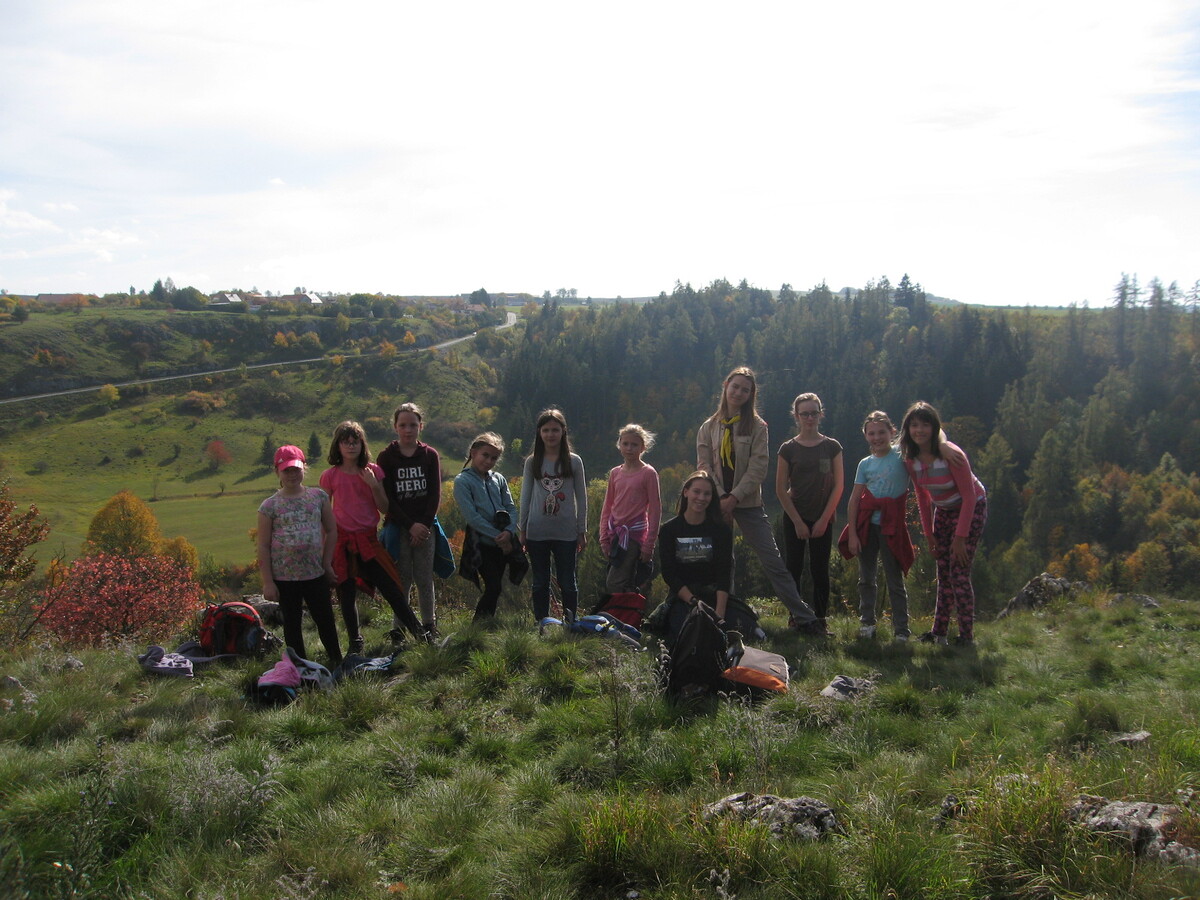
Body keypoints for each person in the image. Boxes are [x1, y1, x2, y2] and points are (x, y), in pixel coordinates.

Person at [696, 366, 824, 635]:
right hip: (716, 503)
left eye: (745, 390)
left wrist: (734, 497)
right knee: (721, 562)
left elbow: (758, 468)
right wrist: (721, 497)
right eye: (735, 386)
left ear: (751, 395)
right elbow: (704, 466)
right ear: (726, 386)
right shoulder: (708, 427)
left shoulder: (757, 426)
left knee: (772, 561)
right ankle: (725, 618)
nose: (738, 393)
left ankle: (805, 618)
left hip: (748, 503)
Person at [319, 421, 427, 654]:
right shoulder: (330, 476)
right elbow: (324, 514)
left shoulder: (373, 471)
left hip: (368, 540)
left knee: (391, 588)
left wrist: (373, 486)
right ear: (337, 446)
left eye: (355, 442)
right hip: (343, 541)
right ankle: (355, 642)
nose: (351, 446)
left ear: (362, 444)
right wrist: (323, 547)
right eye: (346, 442)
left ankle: (420, 634)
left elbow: (384, 507)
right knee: (346, 594)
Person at [900, 401, 987, 646]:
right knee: (943, 572)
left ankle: (966, 636)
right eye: (914, 425)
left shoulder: (952, 455)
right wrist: (929, 535)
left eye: (925, 425)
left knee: (959, 572)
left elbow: (969, 497)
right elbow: (923, 497)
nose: (919, 430)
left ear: (934, 427)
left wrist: (960, 538)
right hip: (944, 510)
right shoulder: (911, 459)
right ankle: (938, 633)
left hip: (971, 508)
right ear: (908, 429)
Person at [256, 445, 342, 665]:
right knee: (292, 625)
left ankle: (336, 663)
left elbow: (331, 530)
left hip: (315, 573)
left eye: (296, 469)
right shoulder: (269, 506)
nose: (292, 474)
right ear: (277, 472)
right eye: (286, 470)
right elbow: (263, 545)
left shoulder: (318, 497)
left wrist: (327, 563)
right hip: (285, 578)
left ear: (304, 467)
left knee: (325, 620)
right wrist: (268, 582)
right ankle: (299, 669)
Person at [842, 411, 916, 642]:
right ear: (865, 435)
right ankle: (867, 623)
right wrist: (852, 534)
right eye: (871, 433)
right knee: (866, 578)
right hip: (868, 526)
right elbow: (855, 499)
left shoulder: (902, 455)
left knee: (894, 579)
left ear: (892, 432)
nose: (877, 438)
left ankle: (901, 630)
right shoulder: (865, 464)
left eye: (881, 432)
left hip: (891, 526)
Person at [776, 392, 844, 633]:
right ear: (796, 416)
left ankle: (821, 619)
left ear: (821, 414)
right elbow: (780, 489)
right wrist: (797, 521)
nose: (809, 418)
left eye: (814, 413)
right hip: (795, 515)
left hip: (823, 516)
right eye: (804, 414)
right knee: (793, 568)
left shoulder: (832, 446)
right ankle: (796, 617)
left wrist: (824, 519)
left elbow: (839, 485)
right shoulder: (788, 449)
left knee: (820, 570)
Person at [377, 402, 442, 639]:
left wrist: (423, 525)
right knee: (401, 579)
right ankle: (400, 627)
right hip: (399, 527)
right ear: (395, 426)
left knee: (424, 578)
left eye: (413, 425)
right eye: (403, 425)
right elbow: (389, 498)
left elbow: (435, 494)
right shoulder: (386, 457)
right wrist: (410, 526)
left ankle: (429, 625)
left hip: (426, 528)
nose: (408, 430)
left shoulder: (430, 455)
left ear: (420, 426)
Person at [519, 408, 587, 622]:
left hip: (566, 533)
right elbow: (525, 497)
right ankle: (543, 623)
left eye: (555, 430)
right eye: (546, 430)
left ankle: (570, 624)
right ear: (539, 433)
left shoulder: (574, 461)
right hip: (536, 531)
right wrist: (522, 530)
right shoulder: (532, 461)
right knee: (540, 582)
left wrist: (582, 530)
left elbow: (582, 498)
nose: (550, 434)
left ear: (563, 431)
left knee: (568, 582)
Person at [656, 470, 735, 642]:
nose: (701, 498)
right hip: (684, 598)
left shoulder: (721, 530)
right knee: (685, 634)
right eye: (696, 492)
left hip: (714, 595)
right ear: (686, 492)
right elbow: (669, 573)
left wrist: (719, 613)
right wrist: (694, 602)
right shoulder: (669, 530)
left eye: (707, 494)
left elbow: (724, 571)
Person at [454, 432, 521, 622]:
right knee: (493, 586)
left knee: (497, 585)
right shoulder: (463, 481)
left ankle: (485, 625)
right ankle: (477, 625)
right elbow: (472, 517)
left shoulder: (498, 479)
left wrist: (509, 531)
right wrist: (498, 536)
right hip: (480, 543)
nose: (489, 461)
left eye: (494, 458)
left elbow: (510, 507)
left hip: (502, 541)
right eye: (485, 455)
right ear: (473, 452)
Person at [599, 424, 661, 593]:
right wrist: (604, 538)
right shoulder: (615, 473)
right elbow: (608, 506)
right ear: (619, 445)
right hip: (615, 533)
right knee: (624, 581)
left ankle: (619, 608)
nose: (629, 448)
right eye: (625, 444)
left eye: (634, 444)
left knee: (614, 583)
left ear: (643, 447)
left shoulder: (648, 473)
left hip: (633, 535)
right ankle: (627, 607)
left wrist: (649, 545)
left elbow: (655, 510)